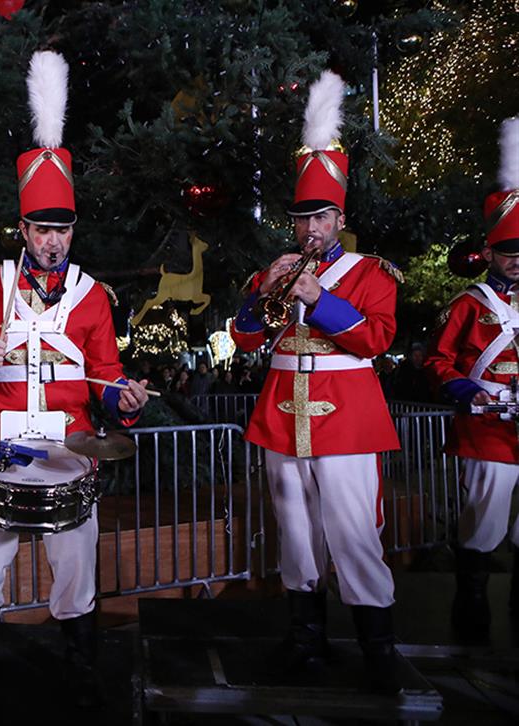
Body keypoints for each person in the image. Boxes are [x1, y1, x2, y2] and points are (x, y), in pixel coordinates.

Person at [0, 51, 149, 706]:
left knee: (75, 565)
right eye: (41, 229)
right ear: (24, 228)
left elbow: (108, 378)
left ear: (71, 231)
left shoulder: (92, 298)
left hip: (68, 447)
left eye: (62, 230)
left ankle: (81, 666)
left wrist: (128, 401)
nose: (52, 241)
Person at [230, 72, 403, 692]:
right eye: (302, 219)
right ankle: (306, 641)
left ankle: (378, 651)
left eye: (321, 218)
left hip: (349, 420)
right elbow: (245, 340)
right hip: (282, 414)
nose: (310, 230)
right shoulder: (271, 270)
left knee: (354, 534)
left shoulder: (370, 273)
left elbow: (377, 339)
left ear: (339, 217)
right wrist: (261, 298)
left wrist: (319, 296)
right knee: (296, 536)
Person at [424, 117, 519, 640]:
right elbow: (438, 361)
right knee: (482, 527)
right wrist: (465, 387)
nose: (518, 262)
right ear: (488, 254)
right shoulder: (468, 305)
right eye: (509, 254)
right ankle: (472, 614)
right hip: (487, 432)